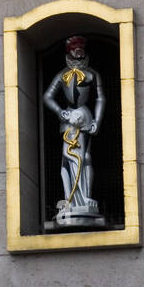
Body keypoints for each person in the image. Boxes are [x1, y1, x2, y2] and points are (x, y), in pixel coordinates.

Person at [43, 35, 106, 225]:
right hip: (69, 118)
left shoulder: (93, 74)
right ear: (69, 51)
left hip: (84, 117)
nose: (78, 51)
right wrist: (59, 111)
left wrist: (97, 120)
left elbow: (100, 98)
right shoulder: (62, 75)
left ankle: (85, 196)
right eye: (74, 48)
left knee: (85, 156)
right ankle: (69, 198)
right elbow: (48, 96)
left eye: (80, 48)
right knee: (68, 157)